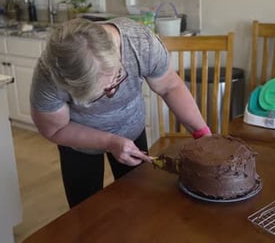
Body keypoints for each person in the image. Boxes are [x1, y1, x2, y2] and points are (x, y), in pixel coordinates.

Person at [30, 17, 211, 208]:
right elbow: (55, 129)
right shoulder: (49, 76)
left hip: (131, 131)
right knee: (86, 212)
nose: (111, 92)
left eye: (116, 77)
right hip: (78, 142)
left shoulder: (139, 43)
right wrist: (110, 141)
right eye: (98, 91)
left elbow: (169, 86)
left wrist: (203, 134)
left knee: (138, 203)